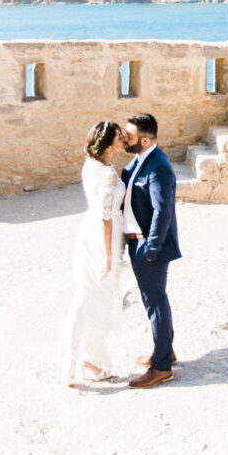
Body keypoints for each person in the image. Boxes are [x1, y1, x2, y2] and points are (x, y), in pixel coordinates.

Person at [63, 120, 129, 385]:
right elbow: (106, 217)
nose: (123, 139)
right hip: (104, 238)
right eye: (119, 137)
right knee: (100, 298)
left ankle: (78, 359)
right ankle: (91, 359)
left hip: (86, 233)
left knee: (85, 294)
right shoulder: (109, 174)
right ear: (109, 143)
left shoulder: (90, 165)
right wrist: (108, 257)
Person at [119, 112, 181, 389]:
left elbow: (162, 210)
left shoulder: (158, 167)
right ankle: (164, 350)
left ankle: (161, 367)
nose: (123, 139)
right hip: (137, 242)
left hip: (147, 245)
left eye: (128, 136)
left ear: (144, 140)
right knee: (154, 299)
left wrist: (150, 248)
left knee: (154, 302)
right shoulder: (136, 163)